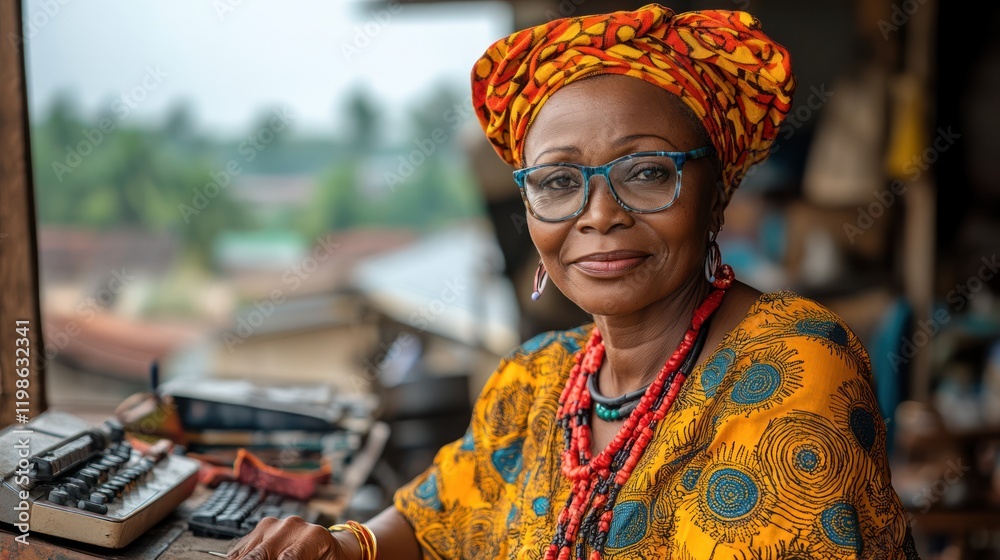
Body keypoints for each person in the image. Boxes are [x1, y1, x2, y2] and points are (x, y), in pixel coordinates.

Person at [228, 4, 920, 559]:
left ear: (717, 190)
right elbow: (434, 521)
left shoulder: (793, 364)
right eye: (559, 182)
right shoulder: (533, 383)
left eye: (647, 172)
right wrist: (343, 544)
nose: (599, 216)